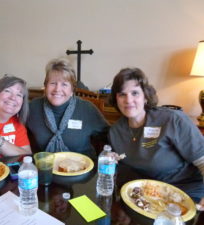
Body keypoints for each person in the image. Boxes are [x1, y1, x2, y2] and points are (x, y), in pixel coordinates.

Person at [108, 67, 204, 205]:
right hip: (149, 194)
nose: (128, 100)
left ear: (145, 96)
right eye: (122, 94)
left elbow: (202, 160)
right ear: (116, 99)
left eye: (135, 93)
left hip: (185, 190)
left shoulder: (172, 120)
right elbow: (121, 164)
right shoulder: (116, 131)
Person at [27, 58, 109, 160]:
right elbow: (16, 126)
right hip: (47, 168)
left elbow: (109, 135)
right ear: (45, 86)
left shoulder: (87, 109)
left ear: (72, 90)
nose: (57, 89)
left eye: (64, 84)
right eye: (53, 83)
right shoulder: (33, 107)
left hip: (83, 170)